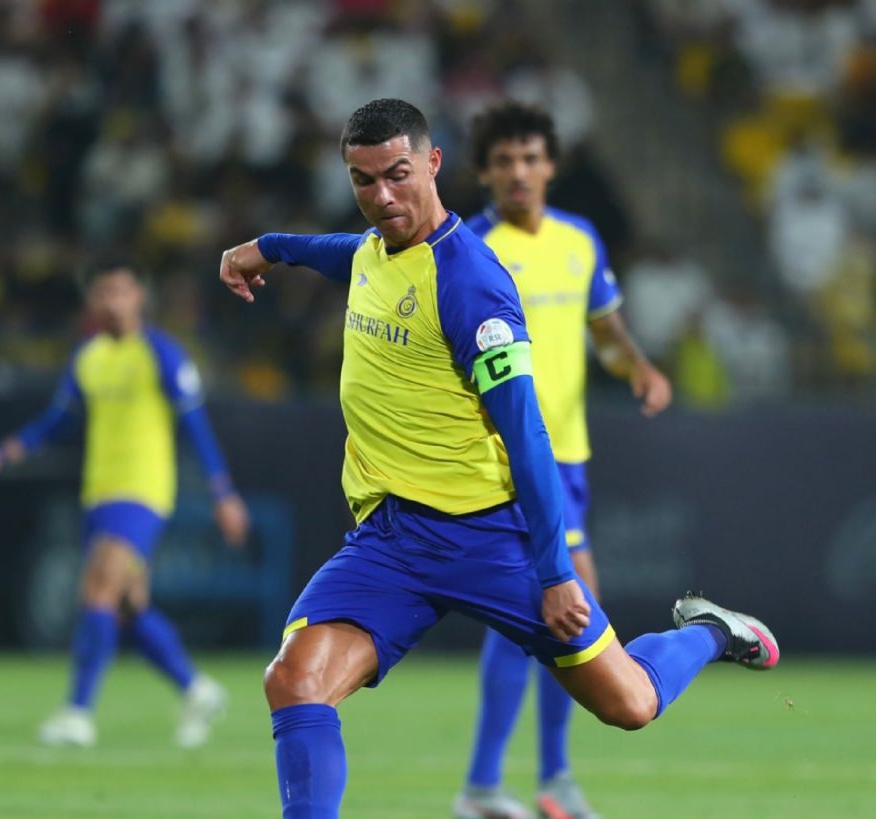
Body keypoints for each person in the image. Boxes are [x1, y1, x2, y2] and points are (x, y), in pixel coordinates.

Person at [215, 98, 778, 819]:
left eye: (397, 174)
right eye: (363, 180)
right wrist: (265, 247)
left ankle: (711, 631)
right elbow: (334, 251)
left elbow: (528, 435)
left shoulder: (470, 283)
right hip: (390, 541)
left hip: (488, 536)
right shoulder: (372, 252)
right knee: (294, 680)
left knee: (631, 703)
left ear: (433, 163)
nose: (381, 196)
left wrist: (556, 572)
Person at [453, 100, 674, 819]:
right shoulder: (468, 248)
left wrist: (637, 366)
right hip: (505, 458)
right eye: (504, 161)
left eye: (530, 158)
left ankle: (516, 781)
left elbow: (604, 330)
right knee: (566, 605)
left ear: (550, 165)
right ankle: (521, 781)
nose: (518, 172)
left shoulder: (579, 240)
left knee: (552, 611)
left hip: (568, 456)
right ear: (485, 173)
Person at [0, 260, 250, 749]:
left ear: (139, 296)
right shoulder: (88, 357)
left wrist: (223, 494)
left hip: (143, 494)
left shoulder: (162, 353)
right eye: (103, 293)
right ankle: (196, 689)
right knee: (129, 608)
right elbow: (56, 423)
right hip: (99, 493)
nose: (111, 301)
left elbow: (196, 426)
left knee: (96, 588)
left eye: (120, 290)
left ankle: (78, 712)